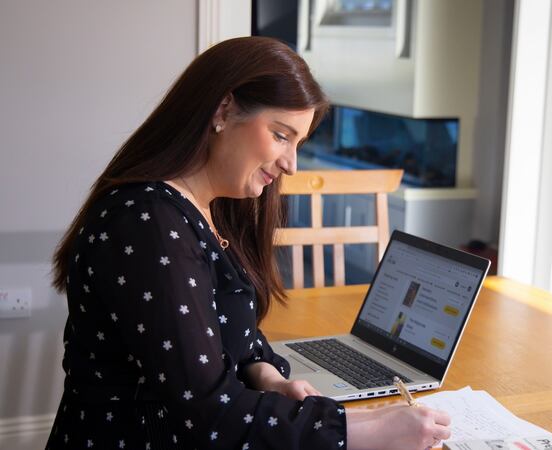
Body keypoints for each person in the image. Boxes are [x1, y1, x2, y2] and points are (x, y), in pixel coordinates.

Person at [46, 36, 451, 450]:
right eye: (281, 135)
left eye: (298, 143)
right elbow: (207, 415)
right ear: (223, 110)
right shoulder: (147, 223)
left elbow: (225, 328)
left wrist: (266, 374)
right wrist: (361, 429)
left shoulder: (209, 207)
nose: (291, 163)